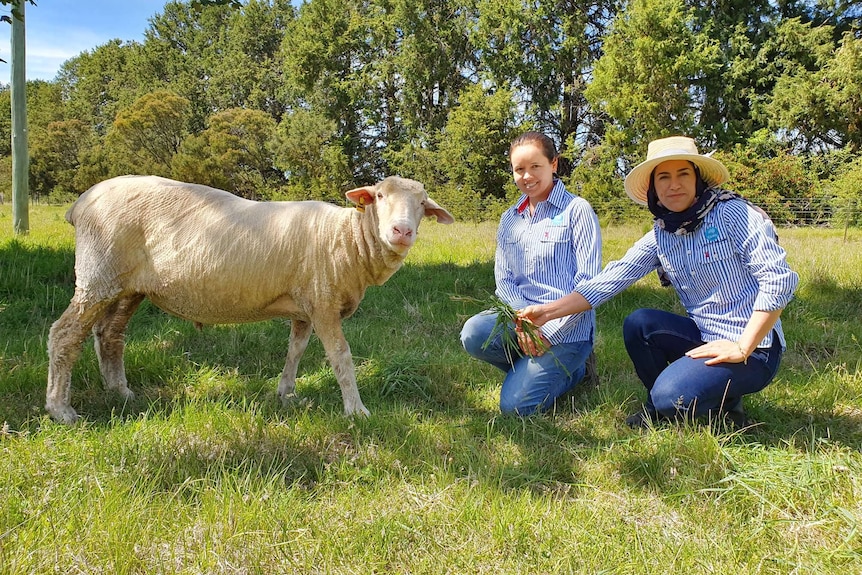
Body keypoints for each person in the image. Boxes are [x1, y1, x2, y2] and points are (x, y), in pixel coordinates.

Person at [519, 135, 799, 428]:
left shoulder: (733, 213)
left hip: (756, 347)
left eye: (683, 174)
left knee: (670, 397)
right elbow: (609, 280)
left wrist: (742, 347)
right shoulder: (662, 234)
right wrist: (546, 313)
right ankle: (683, 406)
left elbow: (778, 280)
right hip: (706, 335)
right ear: (653, 188)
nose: (673, 185)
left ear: (698, 179)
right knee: (639, 323)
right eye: (663, 177)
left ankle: (696, 405)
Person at [460, 131, 602, 415]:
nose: (527, 176)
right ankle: (534, 368)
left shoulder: (577, 210)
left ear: (553, 164)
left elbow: (589, 284)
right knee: (473, 333)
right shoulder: (509, 218)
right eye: (519, 169)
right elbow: (505, 280)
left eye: (535, 166)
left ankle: (575, 372)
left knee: (515, 408)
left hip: (566, 329)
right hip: (522, 323)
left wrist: (546, 327)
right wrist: (525, 322)